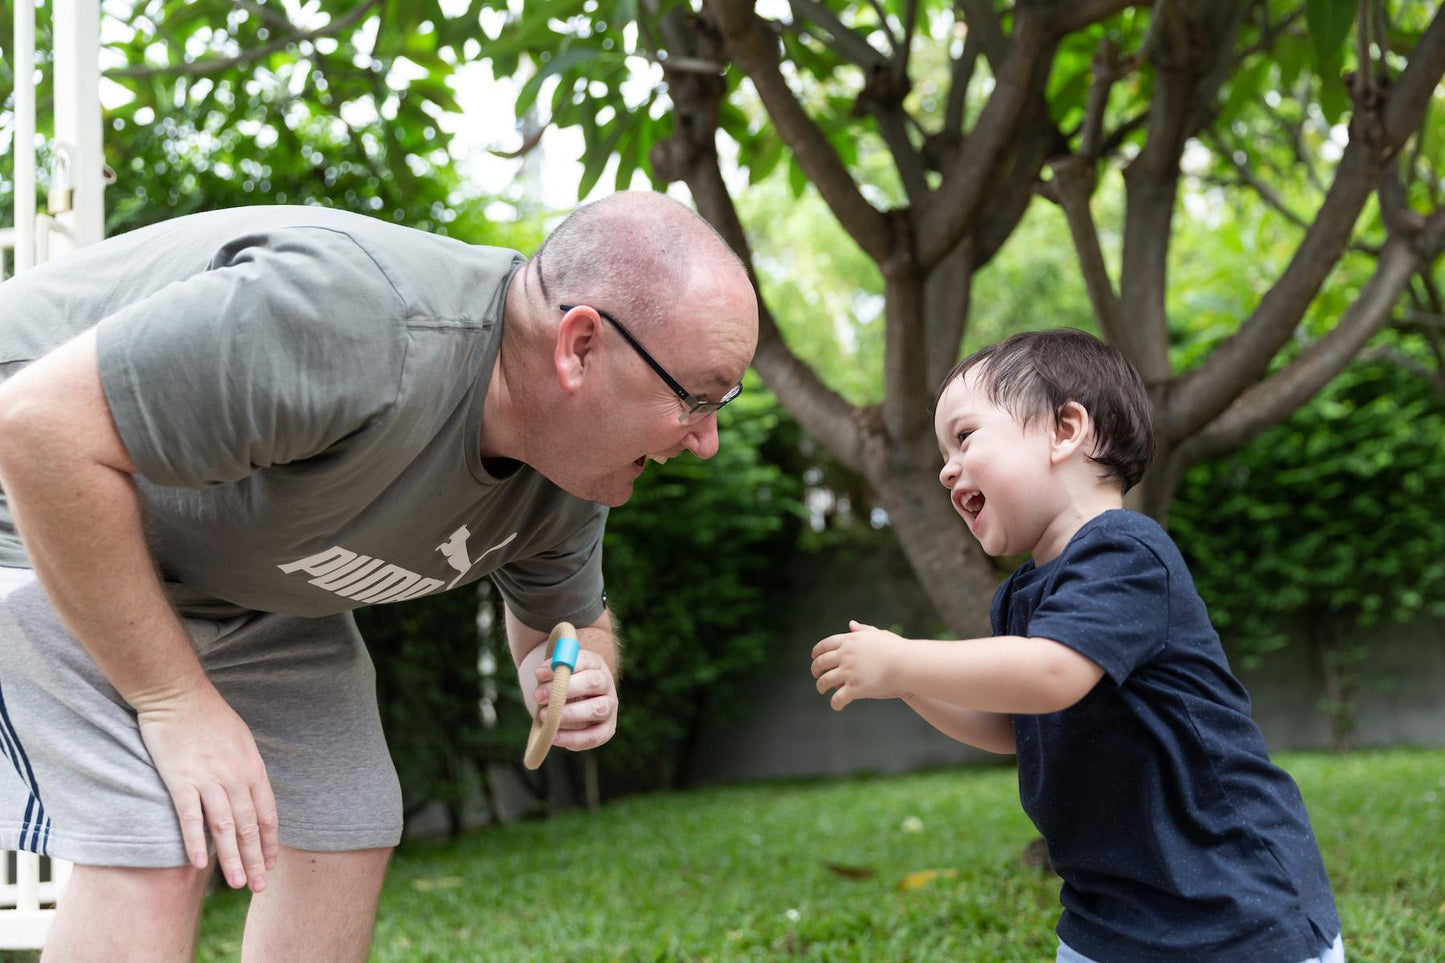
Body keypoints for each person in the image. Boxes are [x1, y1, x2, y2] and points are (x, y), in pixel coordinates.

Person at [0, 190, 758, 961]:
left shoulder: (570, 470)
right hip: (44, 508)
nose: (707, 441)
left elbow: (563, 628)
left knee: (344, 823)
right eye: (695, 397)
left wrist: (575, 671)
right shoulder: (352, 323)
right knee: (166, 841)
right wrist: (175, 701)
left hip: (230, 573)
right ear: (581, 345)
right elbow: (38, 430)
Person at [810, 329, 1342, 962]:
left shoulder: (1127, 551)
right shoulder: (1019, 597)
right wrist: (909, 685)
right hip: (1111, 912)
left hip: (1234, 902)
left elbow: (1052, 675)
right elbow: (1013, 722)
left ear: (1066, 430)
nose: (946, 469)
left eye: (965, 436)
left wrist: (905, 657)